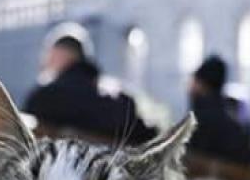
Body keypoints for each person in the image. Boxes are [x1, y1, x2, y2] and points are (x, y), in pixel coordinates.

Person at [23, 26, 156, 145]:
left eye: (49, 54)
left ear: (61, 53)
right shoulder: (123, 99)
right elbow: (148, 134)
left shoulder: (45, 98)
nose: (45, 61)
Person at [184, 55, 250, 167]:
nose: (189, 88)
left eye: (194, 81)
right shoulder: (234, 123)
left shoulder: (196, 122)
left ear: (202, 84)